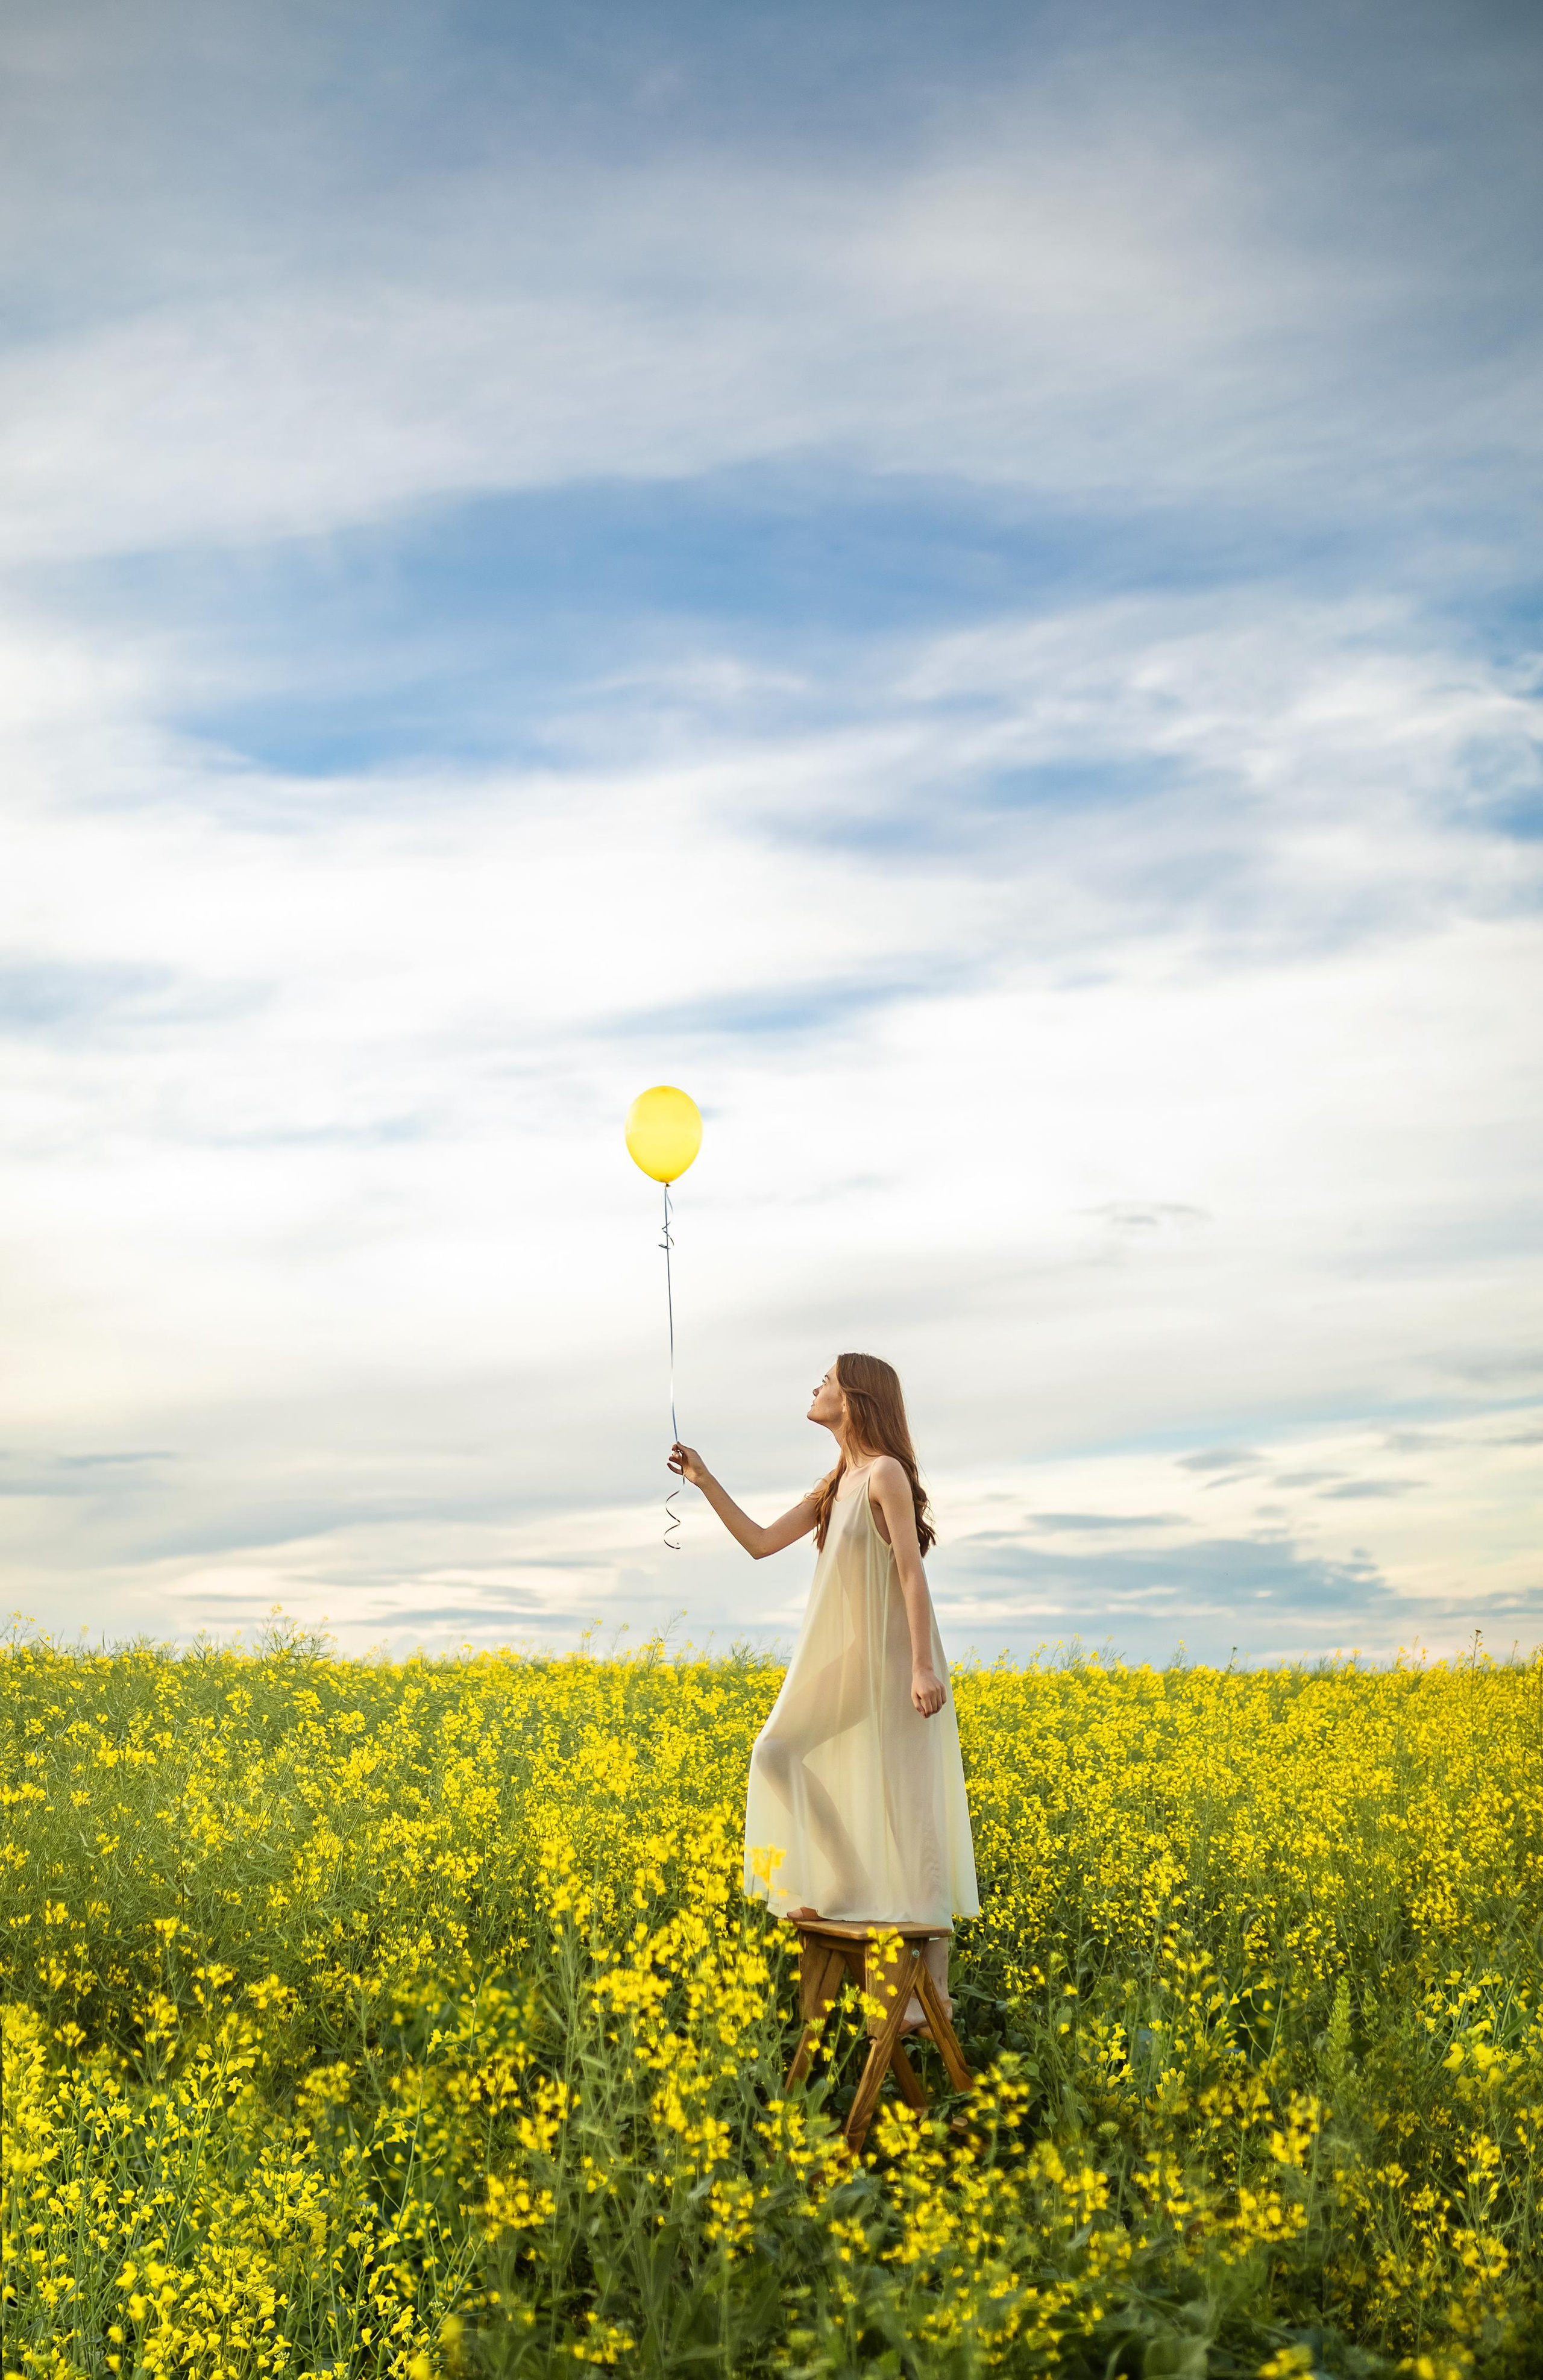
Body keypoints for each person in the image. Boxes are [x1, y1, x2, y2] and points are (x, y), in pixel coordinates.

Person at [669, 1351, 979, 2026]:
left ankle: (933, 1993)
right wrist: (703, 1479)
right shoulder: (836, 1483)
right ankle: (847, 1879)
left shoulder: (886, 1474)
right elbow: (757, 1543)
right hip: (854, 1656)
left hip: (899, 1657)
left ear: (856, 1398)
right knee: (776, 1750)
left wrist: (922, 1666)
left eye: (827, 1380)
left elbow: (909, 1575)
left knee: (908, 1796)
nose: (815, 1387)